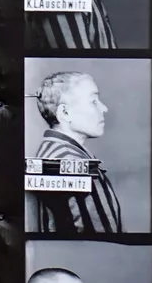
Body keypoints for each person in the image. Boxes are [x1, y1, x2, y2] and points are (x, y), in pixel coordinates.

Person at [29, 70, 124, 234]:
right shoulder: (74, 162)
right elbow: (104, 236)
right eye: (93, 101)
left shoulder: (50, 151)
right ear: (65, 113)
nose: (104, 108)